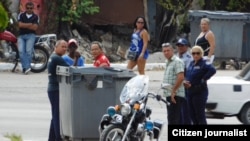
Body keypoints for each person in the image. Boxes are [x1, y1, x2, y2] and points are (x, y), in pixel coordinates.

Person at [184, 45, 216, 125]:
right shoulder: (191, 63)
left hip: (199, 92)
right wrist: (185, 81)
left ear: (201, 54)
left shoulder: (204, 63)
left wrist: (204, 78)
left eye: (198, 53)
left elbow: (213, 70)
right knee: (192, 115)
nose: (195, 55)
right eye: (193, 53)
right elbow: (187, 74)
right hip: (190, 91)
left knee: (200, 115)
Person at [47, 40, 69, 141]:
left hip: (52, 89)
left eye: (66, 47)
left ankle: (51, 138)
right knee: (57, 115)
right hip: (55, 89)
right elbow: (70, 70)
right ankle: (57, 138)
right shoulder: (57, 58)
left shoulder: (53, 57)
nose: (65, 49)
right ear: (56, 47)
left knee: (54, 115)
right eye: (62, 46)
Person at [162, 43, 185, 125]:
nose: (166, 53)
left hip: (175, 95)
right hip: (170, 94)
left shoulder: (177, 62)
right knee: (172, 118)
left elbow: (181, 77)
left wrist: (174, 91)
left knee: (174, 120)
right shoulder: (168, 62)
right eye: (164, 51)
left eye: (168, 50)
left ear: (172, 51)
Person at [17, 1, 39, 74]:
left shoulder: (36, 16)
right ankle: (26, 67)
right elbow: (20, 25)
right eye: (28, 8)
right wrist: (30, 24)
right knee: (21, 51)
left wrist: (24, 25)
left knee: (28, 52)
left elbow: (35, 28)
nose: (29, 9)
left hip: (31, 36)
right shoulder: (21, 15)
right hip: (21, 36)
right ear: (25, 8)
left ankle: (25, 68)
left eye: (31, 8)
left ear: (33, 8)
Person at [176, 38, 193, 125]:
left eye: (182, 45)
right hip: (175, 86)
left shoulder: (189, 58)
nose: (180, 47)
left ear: (186, 47)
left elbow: (188, 73)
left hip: (183, 86)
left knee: (185, 111)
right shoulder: (175, 56)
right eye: (178, 45)